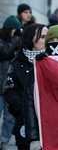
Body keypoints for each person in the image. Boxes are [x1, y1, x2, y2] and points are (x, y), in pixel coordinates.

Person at [23, 24, 58, 150]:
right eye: (52, 41)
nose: (55, 44)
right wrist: (33, 137)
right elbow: (29, 103)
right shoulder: (38, 66)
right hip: (47, 132)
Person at [4, 24, 47, 150]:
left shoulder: (55, 61)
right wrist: (26, 108)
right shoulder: (17, 63)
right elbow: (9, 91)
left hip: (51, 125)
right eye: (43, 37)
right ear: (31, 39)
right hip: (25, 125)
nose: (48, 40)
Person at [0, 15, 22, 149]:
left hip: (10, 86)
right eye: (15, 30)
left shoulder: (18, 42)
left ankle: (4, 140)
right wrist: (15, 38)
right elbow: (5, 51)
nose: (17, 33)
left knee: (9, 117)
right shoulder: (4, 41)